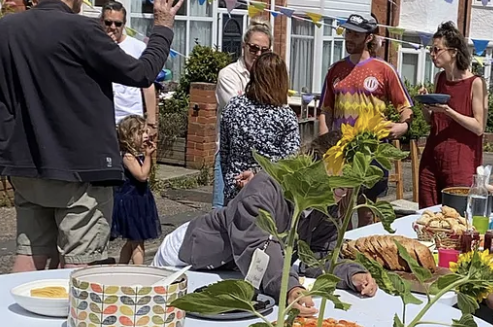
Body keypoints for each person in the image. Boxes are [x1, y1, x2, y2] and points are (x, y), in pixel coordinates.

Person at [0, 0, 182, 270]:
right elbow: (141, 74)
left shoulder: (5, 29)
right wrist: (162, 27)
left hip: (26, 167)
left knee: (31, 254)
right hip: (81, 171)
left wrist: (8, 125)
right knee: (80, 265)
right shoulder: (83, 30)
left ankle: (17, 306)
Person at [153, 130, 378, 316]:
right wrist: (290, 289)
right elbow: (257, 246)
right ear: (315, 169)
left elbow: (318, 255)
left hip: (235, 270)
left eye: (348, 185)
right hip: (189, 257)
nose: (343, 192)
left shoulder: (327, 205)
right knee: (162, 318)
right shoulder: (264, 189)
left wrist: (351, 274)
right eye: (338, 182)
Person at [318, 13, 412, 222]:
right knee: (339, 207)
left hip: (372, 149)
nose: (349, 38)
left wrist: (402, 127)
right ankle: (342, 243)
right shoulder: (335, 70)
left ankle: (363, 241)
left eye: (356, 34)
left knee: (366, 207)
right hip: (341, 149)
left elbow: (405, 107)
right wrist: (324, 141)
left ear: (368, 37)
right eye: (348, 32)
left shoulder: (384, 70)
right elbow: (326, 109)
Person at [418, 21, 488, 208]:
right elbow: (433, 121)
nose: (432, 54)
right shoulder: (439, 78)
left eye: (437, 49)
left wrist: (449, 111)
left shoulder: (475, 83)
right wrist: (426, 106)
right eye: (431, 50)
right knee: (427, 213)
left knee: (457, 213)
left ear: (454, 52)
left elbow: (479, 127)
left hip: (460, 161)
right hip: (432, 158)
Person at [219, 52, 300, 205]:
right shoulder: (285, 116)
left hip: (235, 190)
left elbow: (224, 153)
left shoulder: (234, 107)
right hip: (269, 195)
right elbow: (289, 162)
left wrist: (231, 179)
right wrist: (257, 176)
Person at [213, 22, 273, 206]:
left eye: (264, 50)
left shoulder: (272, 78)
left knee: (256, 213)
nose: (258, 54)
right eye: (254, 48)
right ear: (244, 46)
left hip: (262, 158)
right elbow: (240, 117)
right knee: (222, 211)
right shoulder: (228, 74)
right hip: (231, 155)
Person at [111, 116, 162, 266]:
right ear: (129, 136)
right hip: (131, 202)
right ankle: (140, 270)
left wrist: (147, 156)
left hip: (140, 199)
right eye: (141, 132)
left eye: (146, 131)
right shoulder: (128, 156)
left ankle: (121, 267)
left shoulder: (136, 155)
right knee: (138, 242)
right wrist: (148, 156)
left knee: (131, 241)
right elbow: (142, 175)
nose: (146, 135)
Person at [104, 2, 159, 136]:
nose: (112, 27)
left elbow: (147, 83)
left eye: (118, 24)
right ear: (101, 22)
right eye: (108, 22)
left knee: (134, 150)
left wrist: (151, 121)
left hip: (132, 117)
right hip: (104, 118)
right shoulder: (94, 46)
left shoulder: (137, 47)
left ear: (124, 24)